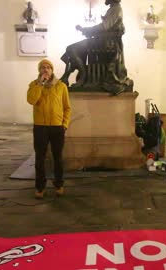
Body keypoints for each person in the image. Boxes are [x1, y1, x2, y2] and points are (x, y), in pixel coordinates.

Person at [27, 59, 71, 199]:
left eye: (48, 67)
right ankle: (40, 187)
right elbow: (31, 100)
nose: (45, 70)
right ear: (39, 71)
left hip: (57, 127)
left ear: (52, 70)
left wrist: (64, 125)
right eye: (43, 68)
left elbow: (67, 108)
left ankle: (59, 184)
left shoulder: (61, 86)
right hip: (40, 127)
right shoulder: (34, 85)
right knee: (40, 158)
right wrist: (40, 84)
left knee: (58, 157)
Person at [60, 0, 125, 86]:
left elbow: (104, 27)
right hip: (102, 41)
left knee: (72, 49)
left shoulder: (116, 9)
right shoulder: (113, 9)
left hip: (106, 43)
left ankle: (81, 77)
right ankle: (67, 76)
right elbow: (105, 28)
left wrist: (86, 30)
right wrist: (86, 31)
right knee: (72, 49)